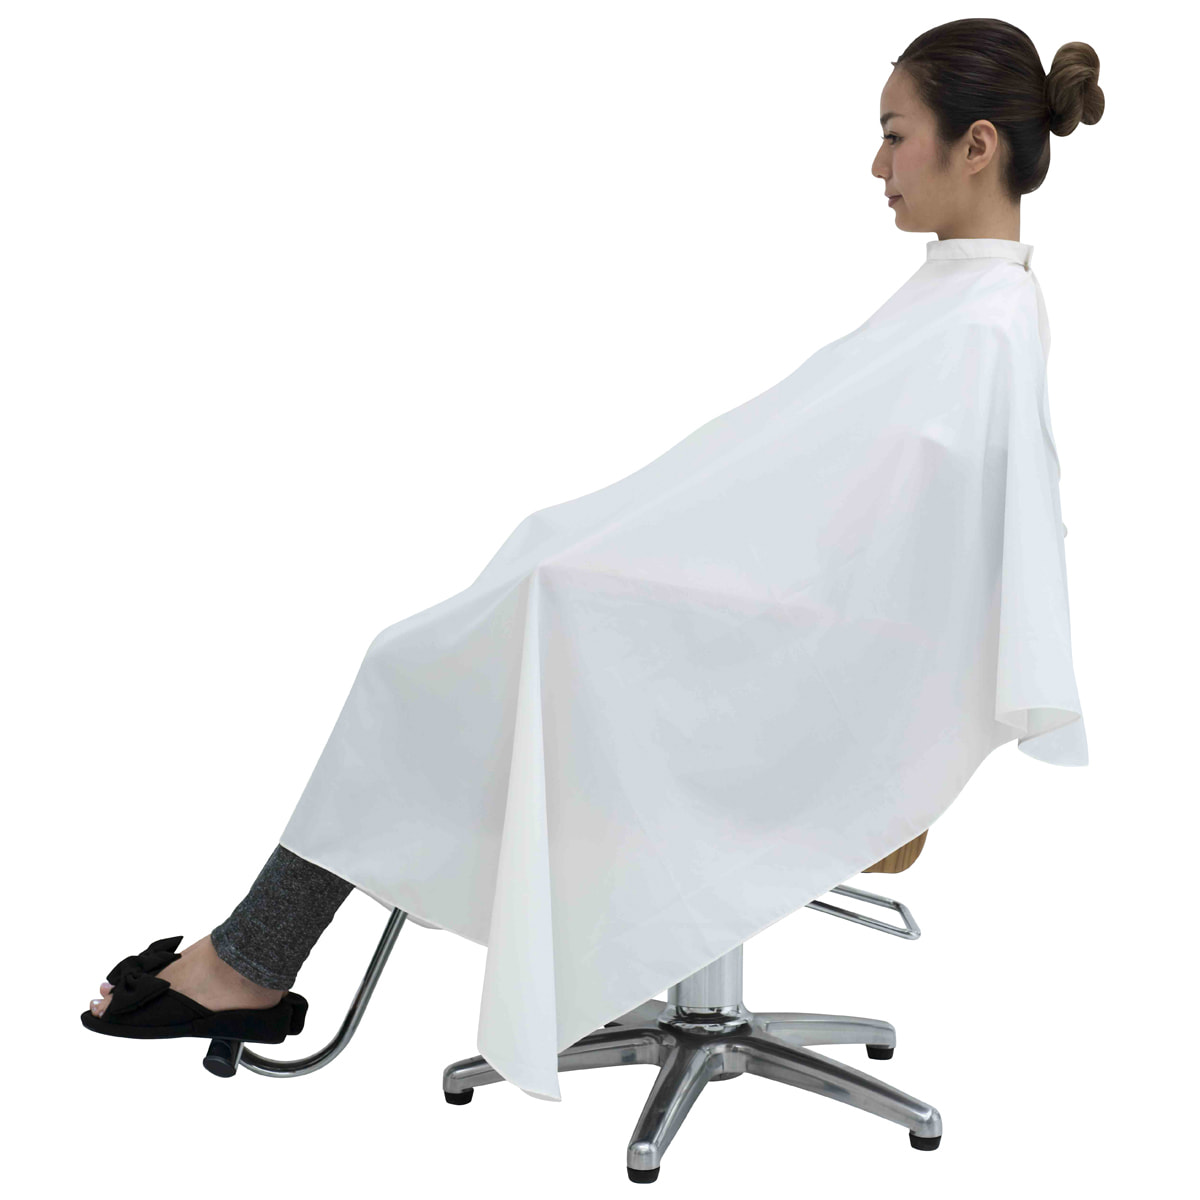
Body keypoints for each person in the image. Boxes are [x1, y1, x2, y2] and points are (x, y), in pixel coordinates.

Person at [82, 17, 1103, 1039]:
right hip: (813, 673)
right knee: (499, 609)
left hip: (818, 710)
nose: (876, 165)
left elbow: (858, 566)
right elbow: (827, 517)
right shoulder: (967, 300)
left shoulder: (978, 326)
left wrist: (630, 574)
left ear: (976, 145)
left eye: (894, 134)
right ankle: (251, 953)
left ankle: (248, 965)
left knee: (434, 658)